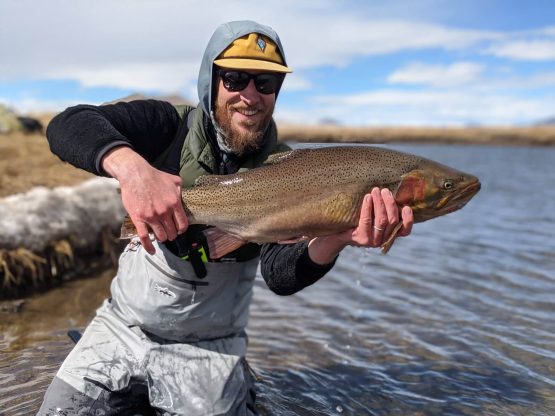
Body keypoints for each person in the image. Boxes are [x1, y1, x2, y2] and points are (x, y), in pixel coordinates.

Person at [38, 20, 413, 415]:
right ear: (212, 80)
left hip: (210, 346)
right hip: (122, 328)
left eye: (265, 83)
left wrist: (337, 237)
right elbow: (68, 125)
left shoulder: (289, 170)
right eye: (235, 79)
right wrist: (134, 171)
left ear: (276, 93)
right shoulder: (167, 126)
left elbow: (280, 276)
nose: (250, 95)